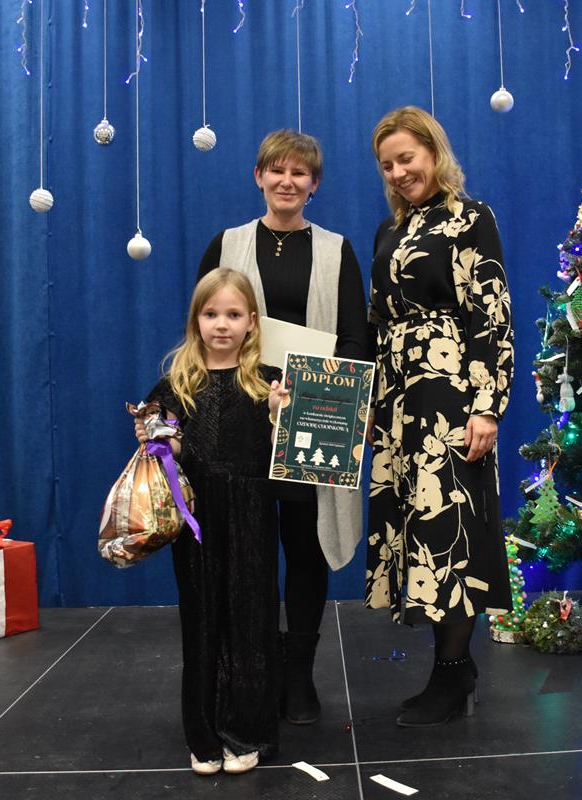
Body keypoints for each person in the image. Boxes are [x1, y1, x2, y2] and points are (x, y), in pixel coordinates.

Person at [197, 130, 368, 725]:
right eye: (277, 170)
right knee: (247, 549)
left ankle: (298, 675)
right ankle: (257, 668)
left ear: (314, 184)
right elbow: (205, 328)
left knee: (304, 545)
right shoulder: (227, 244)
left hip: (310, 414)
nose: (287, 181)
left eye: (300, 173)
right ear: (259, 176)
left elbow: (354, 337)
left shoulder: (337, 250)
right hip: (240, 415)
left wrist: (322, 399)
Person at [366, 106, 514, 727]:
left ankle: (452, 675)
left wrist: (487, 406)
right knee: (419, 531)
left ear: (434, 152)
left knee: (449, 529)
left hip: (450, 394)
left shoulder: (471, 218)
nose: (399, 172)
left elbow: (492, 314)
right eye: (387, 165)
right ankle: (454, 669)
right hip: (399, 398)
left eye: (407, 158)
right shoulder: (389, 229)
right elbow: (375, 320)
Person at [137, 268, 288, 775]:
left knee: (251, 616)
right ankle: (202, 732)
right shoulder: (175, 385)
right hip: (198, 516)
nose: (221, 324)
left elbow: (287, 452)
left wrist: (280, 414)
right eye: (211, 314)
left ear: (251, 322)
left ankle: (249, 729)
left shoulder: (269, 381)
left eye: (233, 314)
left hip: (252, 511)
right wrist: (157, 439)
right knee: (201, 617)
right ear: (195, 321)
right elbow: (174, 451)